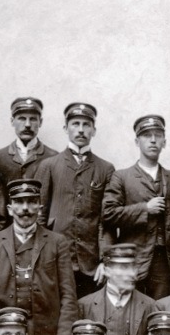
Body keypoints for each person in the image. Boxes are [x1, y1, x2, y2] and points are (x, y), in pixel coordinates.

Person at [0, 178, 78, 335]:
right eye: (19, 202)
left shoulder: (57, 242)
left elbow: (68, 296)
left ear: (40, 207)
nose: (26, 208)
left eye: (32, 202)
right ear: (9, 208)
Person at [33, 101, 115, 291]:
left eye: (86, 125)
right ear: (66, 128)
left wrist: (105, 259)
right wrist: (40, 257)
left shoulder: (105, 169)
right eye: (75, 124)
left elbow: (107, 220)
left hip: (92, 264)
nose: (80, 130)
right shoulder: (49, 166)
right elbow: (40, 216)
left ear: (94, 130)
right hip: (56, 260)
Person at [102, 114, 170, 298]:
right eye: (146, 135)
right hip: (132, 259)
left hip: (163, 263)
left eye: (158, 135)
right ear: (137, 141)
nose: (153, 140)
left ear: (164, 142)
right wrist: (145, 209)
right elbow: (108, 214)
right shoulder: (122, 177)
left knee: (160, 314)